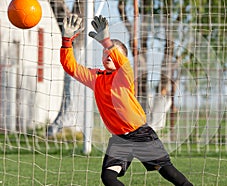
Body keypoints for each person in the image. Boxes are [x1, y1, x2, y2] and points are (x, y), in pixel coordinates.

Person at [60, 14, 193, 186]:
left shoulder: (124, 75)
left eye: (112, 52)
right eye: (105, 52)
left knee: (168, 172)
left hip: (140, 133)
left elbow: (123, 64)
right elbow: (70, 67)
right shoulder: (96, 77)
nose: (108, 54)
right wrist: (66, 41)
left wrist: (107, 42)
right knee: (108, 177)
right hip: (119, 139)